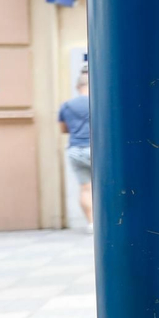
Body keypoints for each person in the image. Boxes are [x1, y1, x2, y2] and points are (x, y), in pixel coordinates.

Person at [58, 70, 93, 228]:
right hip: (95, 150)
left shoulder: (66, 106)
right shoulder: (96, 102)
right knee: (107, 186)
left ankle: (91, 223)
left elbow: (63, 129)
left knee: (85, 189)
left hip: (75, 150)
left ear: (78, 87)